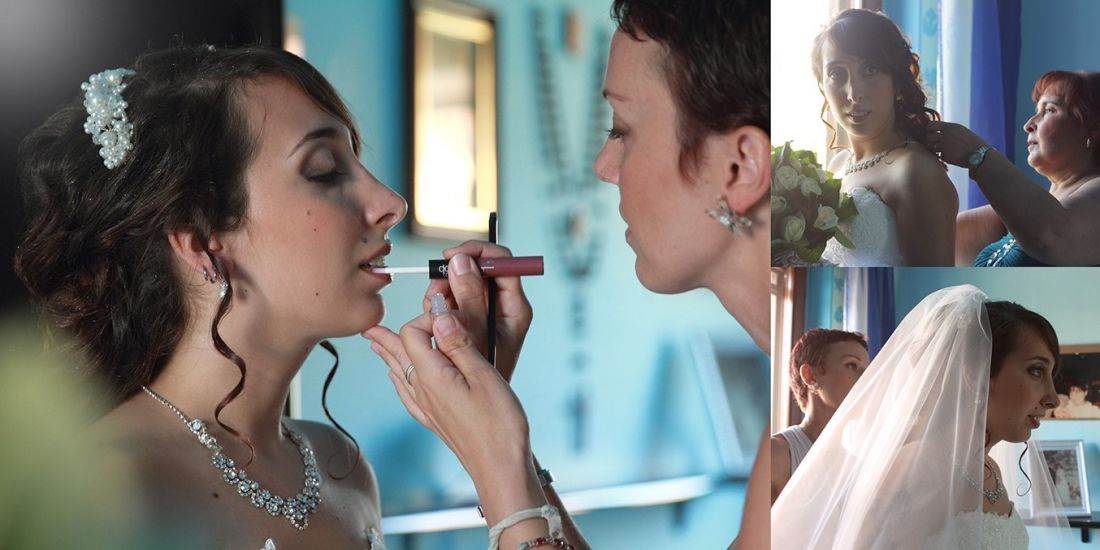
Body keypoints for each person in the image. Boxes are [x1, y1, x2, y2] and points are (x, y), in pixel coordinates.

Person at [13, 45, 585, 549]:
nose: (391, 202)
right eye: (324, 170)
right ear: (201, 240)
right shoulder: (110, 490)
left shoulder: (343, 470)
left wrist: (498, 442)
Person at [367, 1, 772, 548]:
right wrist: (496, 435)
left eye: (621, 129)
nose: (604, 167)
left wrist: (493, 456)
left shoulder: (832, 424)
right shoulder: (803, 404)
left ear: (740, 166)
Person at [772, 286, 1073, 549]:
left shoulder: (990, 468)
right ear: (975, 372)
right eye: (1036, 371)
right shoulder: (908, 472)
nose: (1053, 398)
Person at [812, 9, 957, 266]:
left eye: (870, 69)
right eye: (836, 73)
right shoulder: (836, 165)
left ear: (897, 82)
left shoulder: (914, 171)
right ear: (822, 85)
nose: (853, 93)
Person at [928, 71, 1100, 266]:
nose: (1028, 125)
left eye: (1049, 110)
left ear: (1093, 129)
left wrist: (977, 154)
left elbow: (1051, 237)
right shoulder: (1008, 219)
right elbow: (945, 237)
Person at [770, 329, 868, 502]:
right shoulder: (776, 455)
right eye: (852, 365)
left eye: (867, 370)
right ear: (810, 376)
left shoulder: (860, 468)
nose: (866, 378)